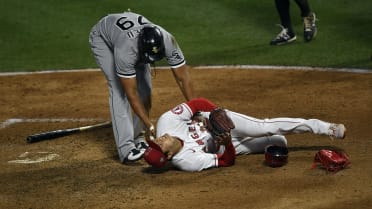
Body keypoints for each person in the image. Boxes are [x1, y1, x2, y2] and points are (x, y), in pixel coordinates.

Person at [89, 10, 195, 163]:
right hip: (103, 38)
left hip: (131, 40)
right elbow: (131, 92)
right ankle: (125, 149)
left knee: (146, 89)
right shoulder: (127, 50)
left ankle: (138, 137)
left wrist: (196, 109)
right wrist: (148, 123)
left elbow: (182, 77)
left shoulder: (168, 40)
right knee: (119, 90)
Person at [144, 97, 346, 172]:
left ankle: (322, 127)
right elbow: (225, 161)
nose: (159, 139)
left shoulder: (165, 122)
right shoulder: (187, 162)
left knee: (265, 127)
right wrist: (228, 143)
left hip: (226, 124)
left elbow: (197, 102)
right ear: (168, 156)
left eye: (155, 142)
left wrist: (216, 114)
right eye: (159, 146)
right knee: (279, 143)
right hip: (227, 143)